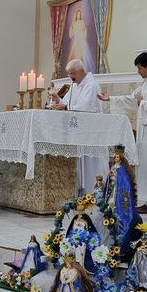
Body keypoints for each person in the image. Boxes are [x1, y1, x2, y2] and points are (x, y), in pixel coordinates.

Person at [99, 52, 147, 210]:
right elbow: (132, 99)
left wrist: (142, 102)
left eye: (139, 68)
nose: (138, 71)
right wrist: (110, 99)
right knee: (146, 164)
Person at [50, 59, 103, 192]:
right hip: (77, 132)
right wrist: (58, 99)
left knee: (90, 165)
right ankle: (80, 192)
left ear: (81, 71)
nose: (70, 77)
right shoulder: (75, 85)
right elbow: (66, 103)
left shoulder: (91, 85)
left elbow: (86, 107)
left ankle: (93, 193)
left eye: (72, 73)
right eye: (68, 74)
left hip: (89, 132)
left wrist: (65, 106)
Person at [68, 8, 94, 73]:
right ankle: (77, 70)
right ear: (76, 15)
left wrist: (84, 37)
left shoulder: (82, 22)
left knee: (83, 56)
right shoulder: (74, 23)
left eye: (80, 14)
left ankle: (83, 70)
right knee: (77, 56)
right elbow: (71, 35)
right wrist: (70, 29)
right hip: (76, 41)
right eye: (78, 14)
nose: (79, 16)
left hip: (81, 40)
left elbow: (85, 29)